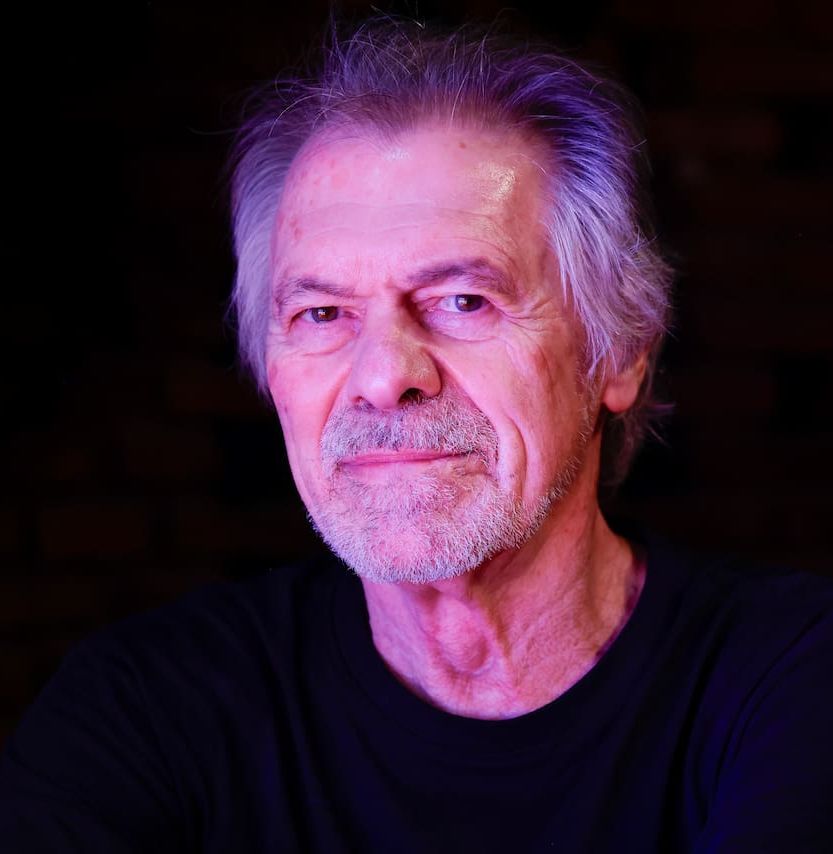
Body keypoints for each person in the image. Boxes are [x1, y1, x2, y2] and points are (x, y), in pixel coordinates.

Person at [2, 18, 832, 853]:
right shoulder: (141, 709)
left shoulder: (792, 677)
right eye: (321, 314)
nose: (383, 375)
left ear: (618, 354)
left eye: (463, 301)